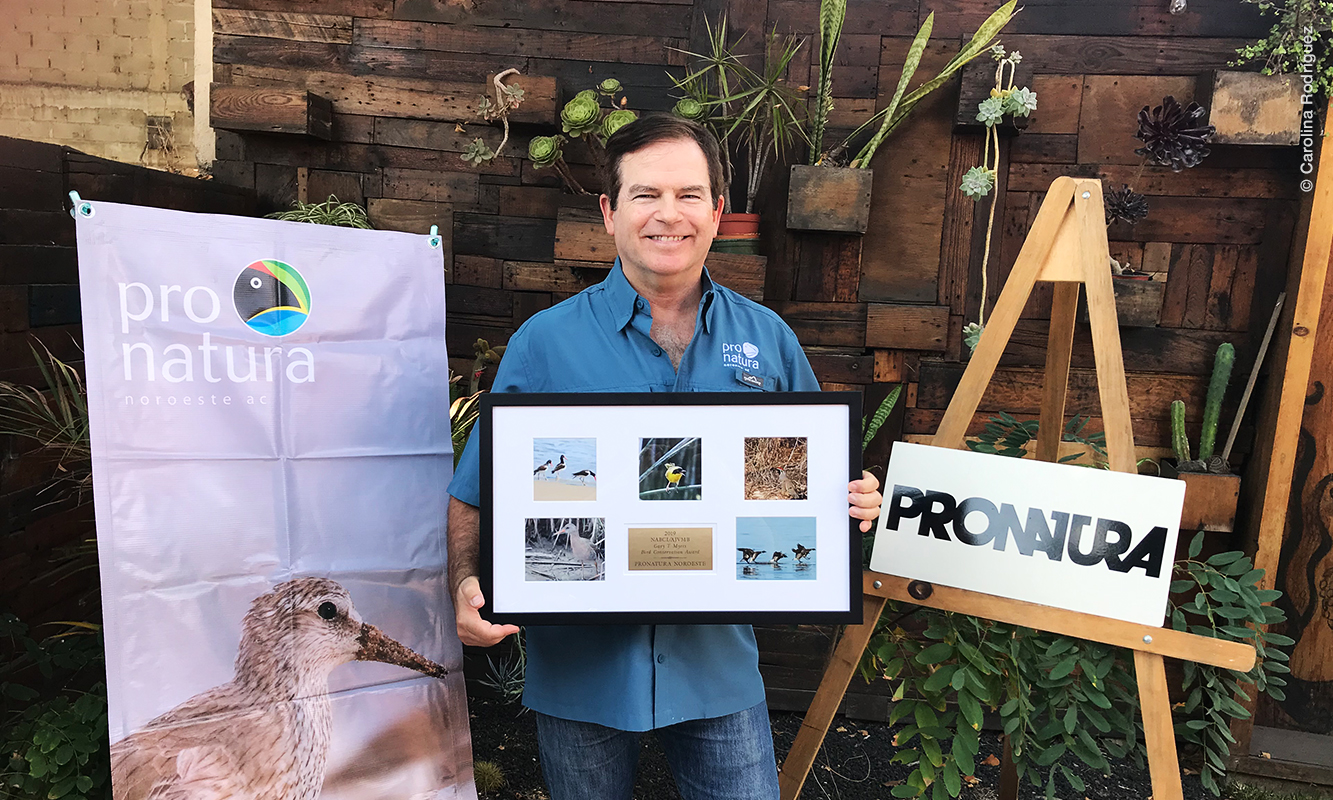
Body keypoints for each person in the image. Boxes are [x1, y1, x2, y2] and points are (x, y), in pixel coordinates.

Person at [446, 114, 883, 800]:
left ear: (714, 213)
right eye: (645, 195)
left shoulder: (768, 342)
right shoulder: (544, 344)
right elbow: (476, 489)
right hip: (580, 673)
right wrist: (466, 583)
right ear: (610, 212)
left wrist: (849, 499)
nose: (667, 215)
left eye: (687, 195)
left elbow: (803, 482)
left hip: (718, 672)